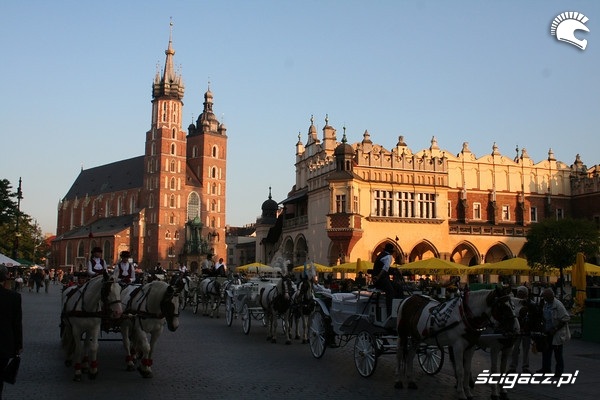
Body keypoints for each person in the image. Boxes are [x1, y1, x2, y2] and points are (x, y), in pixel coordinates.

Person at [0, 265, 23, 398]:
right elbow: (16, 323)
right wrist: (18, 344)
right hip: (4, 344)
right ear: (6, 278)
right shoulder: (14, 297)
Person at [538, 287, 570, 376]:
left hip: (556, 333)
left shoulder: (558, 305)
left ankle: (559, 371)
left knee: (558, 354)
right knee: (546, 351)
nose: (544, 298)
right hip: (547, 332)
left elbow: (566, 318)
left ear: (550, 296)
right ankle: (546, 368)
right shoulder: (546, 304)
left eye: (545, 297)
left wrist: (555, 328)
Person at [508, 286, 532, 373]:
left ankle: (525, 367)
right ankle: (512, 367)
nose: (520, 295)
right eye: (519, 293)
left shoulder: (529, 303)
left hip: (526, 330)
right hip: (516, 331)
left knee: (526, 349)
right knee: (515, 349)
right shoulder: (513, 302)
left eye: (522, 293)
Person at [371, 243, 395, 319]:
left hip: (376, 279)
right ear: (391, 251)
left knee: (393, 286)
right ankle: (390, 312)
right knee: (391, 291)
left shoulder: (381, 255)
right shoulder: (388, 257)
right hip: (381, 279)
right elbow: (385, 269)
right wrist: (378, 277)